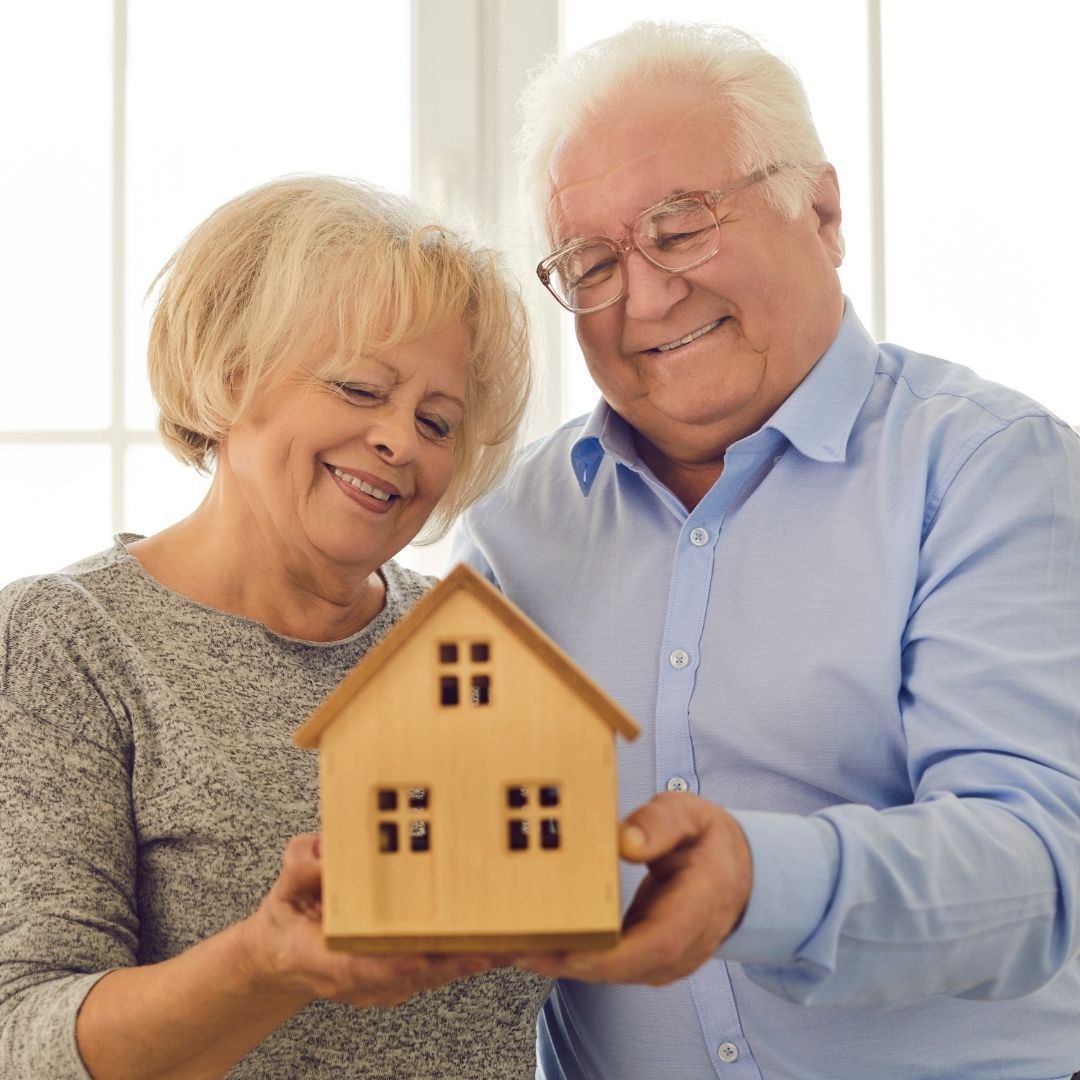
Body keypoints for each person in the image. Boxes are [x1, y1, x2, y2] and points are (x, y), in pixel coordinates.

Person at [452, 21, 1080, 1080]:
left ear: (822, 211)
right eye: (593, 263)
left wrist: (757, 883)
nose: (646, 297)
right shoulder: (514, 534)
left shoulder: (985, 469)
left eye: (682, 226)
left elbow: (1037, 870)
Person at [0, 175, 550, 1078]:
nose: (401, 443)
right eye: (359, 387)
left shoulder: (468, 644)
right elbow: (24, 1037)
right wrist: (263, 961)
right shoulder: (72, 639)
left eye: (437, 420)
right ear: (228, 375)